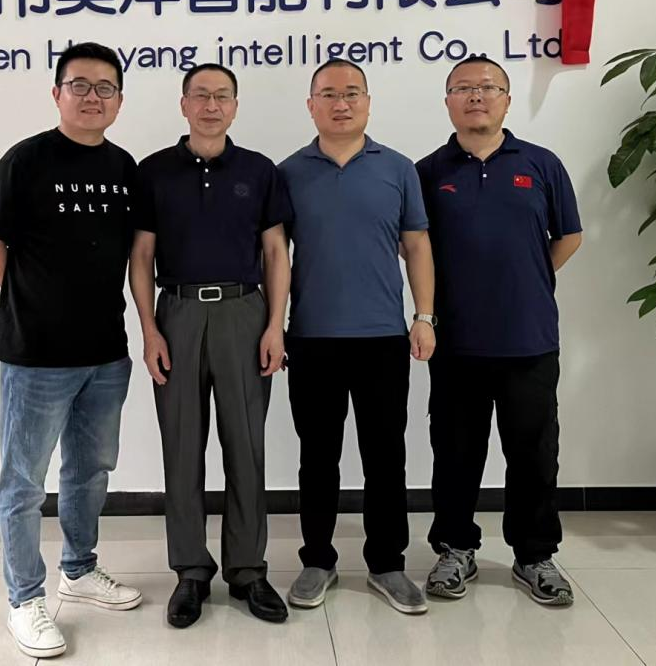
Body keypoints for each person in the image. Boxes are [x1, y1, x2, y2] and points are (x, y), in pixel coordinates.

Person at [0, 42, 142, 659]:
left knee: (90, 471)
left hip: (106, 352)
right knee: (23, 481)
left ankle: (80, 568)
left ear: (119, 100)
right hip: (35, 354)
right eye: (80, 85)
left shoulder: (124, 167)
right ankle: (24, 599)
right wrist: (33, 300)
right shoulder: (26, 160)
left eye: (105, 87)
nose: (93, 97)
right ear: (57, 93)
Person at [128, 63, 293, 628]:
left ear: (235, 106)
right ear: (184, 104)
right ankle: (191, 571)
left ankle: (247, 570)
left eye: (222, 96)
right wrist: (149, 329)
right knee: (181, 445)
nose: (211, 106)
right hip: (176, 313)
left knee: (246, 444)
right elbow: (141, 256)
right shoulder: (154, 171)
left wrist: (275, 325)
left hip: (245, 313)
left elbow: (276, 253)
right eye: (201, 95)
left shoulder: (259, 170)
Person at [415, 54, 583, 607]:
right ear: (447, 102)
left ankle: (535, 555)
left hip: (529, 338)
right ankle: (455, 548)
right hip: (456, 340)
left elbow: (569, 236)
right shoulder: (428, 172)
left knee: (534, 453)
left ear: (507, 100)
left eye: (487, 87)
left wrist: (527, 278)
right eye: (463, 88)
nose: (476, 96)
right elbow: (414, 249)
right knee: (455, 452)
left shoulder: (541, 164)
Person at [277, 58, 437, 615]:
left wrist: (424, 316)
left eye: (351, 93)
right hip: (311, 338)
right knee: (317, 456)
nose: (340, 103)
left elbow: (417, 245)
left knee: (385, 455)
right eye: (328, 94)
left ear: (368, 102)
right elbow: (275, 256)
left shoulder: (398, 169)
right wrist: (275, 326)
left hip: (383, 338)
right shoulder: (288, 172)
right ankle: (317, 560)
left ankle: (387, 564)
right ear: (311, 105)